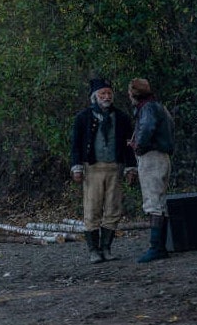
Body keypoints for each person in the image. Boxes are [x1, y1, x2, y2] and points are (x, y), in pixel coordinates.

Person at [69, 77, 137, 262]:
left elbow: (128, 145)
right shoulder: (83, 117)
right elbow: (75, 145)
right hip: (92, 168)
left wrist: (130, 168)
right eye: (103, 93)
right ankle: (93, 251)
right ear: (95, 96)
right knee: (92, 209)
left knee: (113, 209)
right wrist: (76, 168)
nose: (106, 97)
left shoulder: (121, 118)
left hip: (115, 167)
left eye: (109, 93)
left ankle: (106, 248)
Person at [128, 78, 174, 263]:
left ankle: (157, 247)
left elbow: (147, 128)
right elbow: (170, 126)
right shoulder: (158, 106)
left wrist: (138, 146)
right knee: (160, 201)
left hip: (152, 157)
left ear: (133, 93)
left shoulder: (147, 108)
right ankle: (159, 246)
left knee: (153, 201)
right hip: (162, 156)